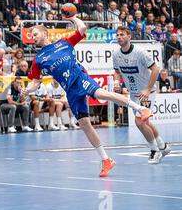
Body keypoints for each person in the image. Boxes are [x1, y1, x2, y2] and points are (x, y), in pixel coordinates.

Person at [26, 17, 153, 177]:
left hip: (79, 77)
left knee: (101, 93)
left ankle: (140, 108)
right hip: (70, 89)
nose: (33, 37)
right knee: (85, 124)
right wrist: (26, 90)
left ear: (45, 33)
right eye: (32, 35)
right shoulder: (38, 59)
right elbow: (35, 83)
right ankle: (106, 160)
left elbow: (82, 28)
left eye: (36, 34)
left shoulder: (63, 43)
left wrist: (71, 17)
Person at [113, 26, 171, 164]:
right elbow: (116, 71)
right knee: (146, 122)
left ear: (129, 37)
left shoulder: (140, 52)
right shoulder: (116, 54)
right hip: (133, 94)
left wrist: (147, 88)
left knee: (139, 122)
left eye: (122, 34)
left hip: (146, 93)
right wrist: (116, 82)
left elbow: (156, 69)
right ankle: (163, 146)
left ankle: (155, 151)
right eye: (117, 35)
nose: (119, 37)